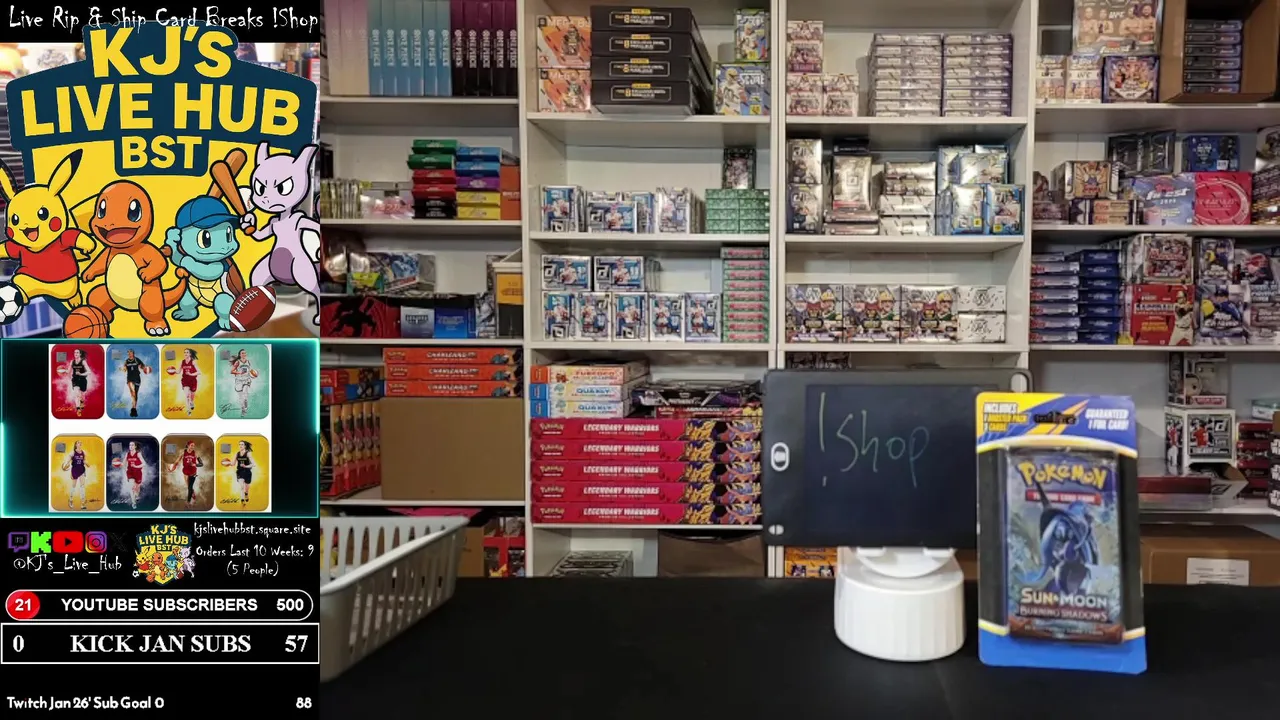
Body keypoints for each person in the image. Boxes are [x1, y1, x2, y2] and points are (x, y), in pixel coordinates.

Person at [167, 440, 202, 507]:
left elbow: (201, 464)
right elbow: (176, 462)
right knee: (188, 486)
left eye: (194, 446)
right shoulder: (183, 453)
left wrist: (194, 464)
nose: (193, 447)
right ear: (188, 445)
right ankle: (193, 493)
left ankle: (188, 502)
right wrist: (172, 469)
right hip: (185, 472)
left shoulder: (195, 453)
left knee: (190, 487)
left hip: (193, 472)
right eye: (191, 445)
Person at [60, 440, 88, 509]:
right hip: (75, 471)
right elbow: (68, 462)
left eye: (81, 442)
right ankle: (70, 499)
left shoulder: (84, 452)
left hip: (81, 470)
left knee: (82, 486)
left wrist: (86, 464)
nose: (80, 443)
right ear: (76, 445)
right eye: (78, 442)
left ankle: (82, 504)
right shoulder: (72, 453)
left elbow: (84, 461)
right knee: (73, 486)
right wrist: (66, 465)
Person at [121, 349, 149, 417]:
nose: (129, 354)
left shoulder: (137, 360)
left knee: (135, 394)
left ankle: (134, 409)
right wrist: (123, 369)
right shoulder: (126, 361)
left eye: (130, 352)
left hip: (137, 378)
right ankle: (133, 409)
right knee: (133, 391)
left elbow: (143, 367)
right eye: (128, 353)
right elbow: (124, 369)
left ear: (133, 353)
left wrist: (145, 369)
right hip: (130, 378)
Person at [229, 349, 254, 417]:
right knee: (241, 397)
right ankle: (243, 409)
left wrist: (253, 375)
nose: (244, 354)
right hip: (239, 381)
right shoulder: (237, 362)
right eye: (242, 353)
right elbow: (231, 371)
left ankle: (245, 405)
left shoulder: (248, 362)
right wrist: (239, 372)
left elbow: (249, 371)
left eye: (245, 353)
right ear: (240, 355)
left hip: (246, 380)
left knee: (245, 395)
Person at [67, 348, 88, 416]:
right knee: (76, 394)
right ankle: (78, 409)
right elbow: (68, 371)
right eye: (74, 352)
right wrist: (64, 371)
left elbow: (89, 372)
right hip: (75, 380)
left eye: (77, 352)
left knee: (82, 395)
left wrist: (81, 374)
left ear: (80, 354)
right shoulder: (72, 362)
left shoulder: (83, 362)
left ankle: (82, 402)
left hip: (82, 380)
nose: (75, 354)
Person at [179, 348, 200, 416]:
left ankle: (192, 402)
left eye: (187, 352)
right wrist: (172, 371)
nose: (185, 353)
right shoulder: (182, 362)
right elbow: (178, 371)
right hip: (185, 381)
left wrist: (190, 374)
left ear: (190, 354)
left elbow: (199, 372)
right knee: (187, 395)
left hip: (193, 381)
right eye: (184, 352)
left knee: (192, 395)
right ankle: (188, 410)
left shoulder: (193, 362)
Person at [125, 441, 145, 509]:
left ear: (135, 446)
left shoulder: (138, 454)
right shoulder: (127, 454)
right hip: (130, 473)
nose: (130, 446)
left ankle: (137, 496)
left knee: (137, 488)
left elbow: (144, 464)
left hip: (138, 473)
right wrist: (119, 464)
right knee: (131, 488)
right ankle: (133, 503)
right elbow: (124, 463)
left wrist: (135, 466)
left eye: (132, 445)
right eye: (130, 445)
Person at [235, 440, 255, 507]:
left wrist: (245, 466)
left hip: (247, 472)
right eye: (239, 444)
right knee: (241, 487)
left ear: (245, 446)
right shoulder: (237, 454)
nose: (240, 445)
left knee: (246, 487)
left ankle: (246, 493)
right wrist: (227, 463)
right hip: (240, 472)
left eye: (242, 444)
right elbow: (233, 463)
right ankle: (242, 500)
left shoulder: (248, 453)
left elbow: (254, 464)